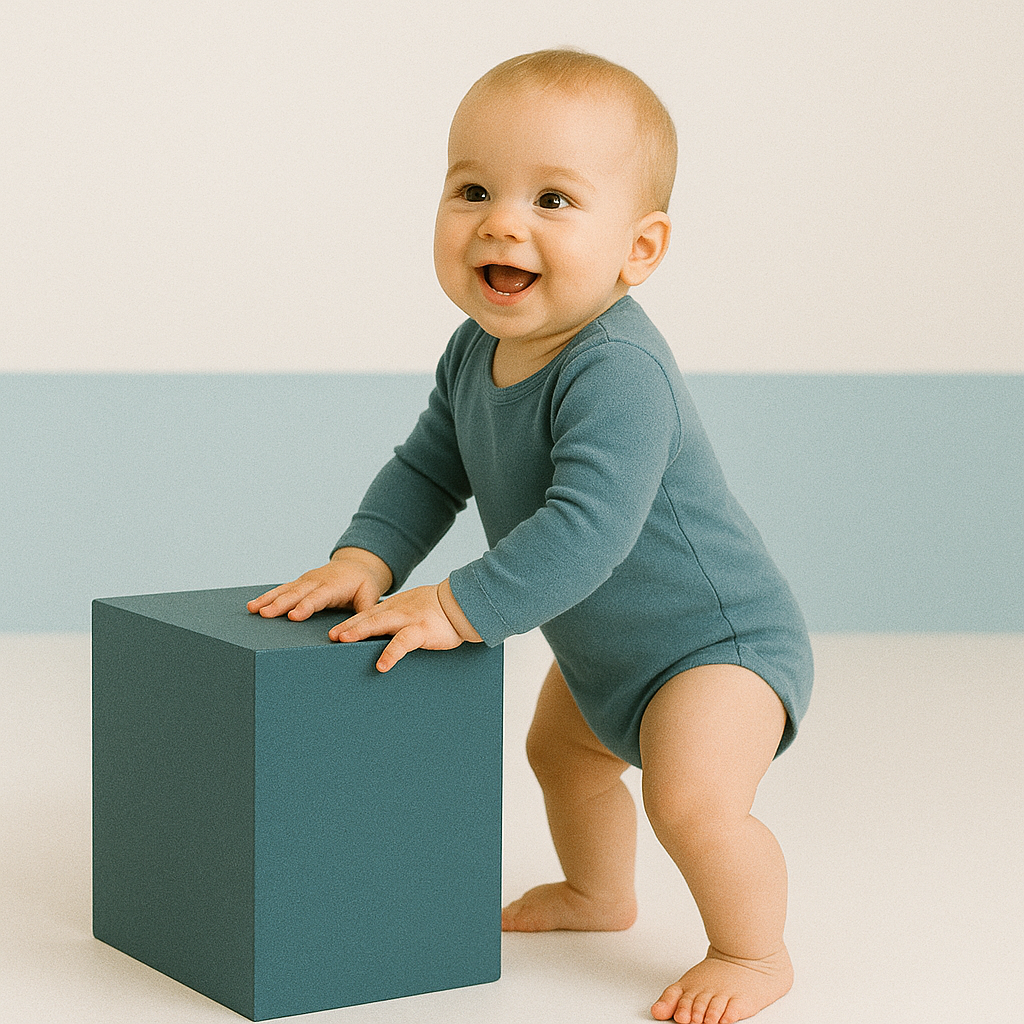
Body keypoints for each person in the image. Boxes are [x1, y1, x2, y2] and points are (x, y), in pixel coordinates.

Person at [248, 49, 813, 1024]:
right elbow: (430, 469)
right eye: (473, 189)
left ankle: (751, 951)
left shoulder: (617, 367)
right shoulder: (477, 350)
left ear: (637, 252)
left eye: (553, 200)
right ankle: (600, 894)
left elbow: (589, 529)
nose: (500, 220)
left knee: (690, 802)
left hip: (716, 647)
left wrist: (459, 603)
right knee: (565, 756)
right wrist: (365, 557)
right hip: (601, 650)